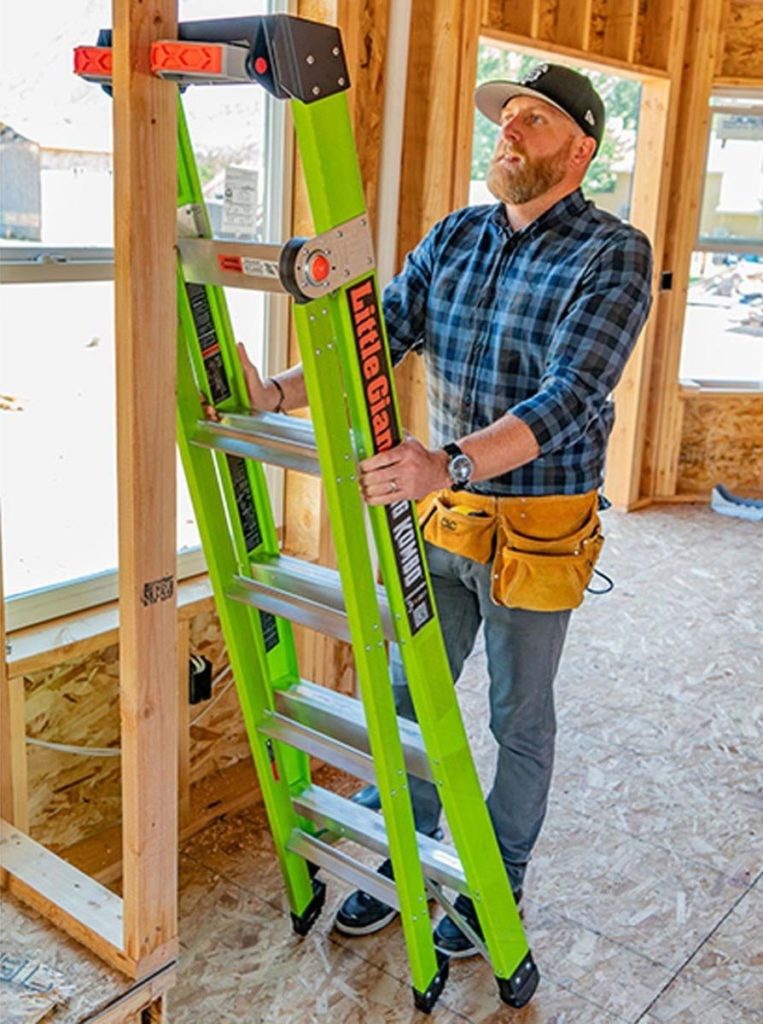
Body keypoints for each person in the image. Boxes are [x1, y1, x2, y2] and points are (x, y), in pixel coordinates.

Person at [235, 63, 654, 958]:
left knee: (517, 715)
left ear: (580, 149)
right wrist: (275, 392)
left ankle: (493, 885)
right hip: (444, 511)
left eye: (534, 121)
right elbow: (376, 337)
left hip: (535, 526)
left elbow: (569, 396)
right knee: (410, 693)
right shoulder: (458, 235)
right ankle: (401, 856)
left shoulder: (612, 253)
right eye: (506, 117)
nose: (509, 129)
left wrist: (446, 460)